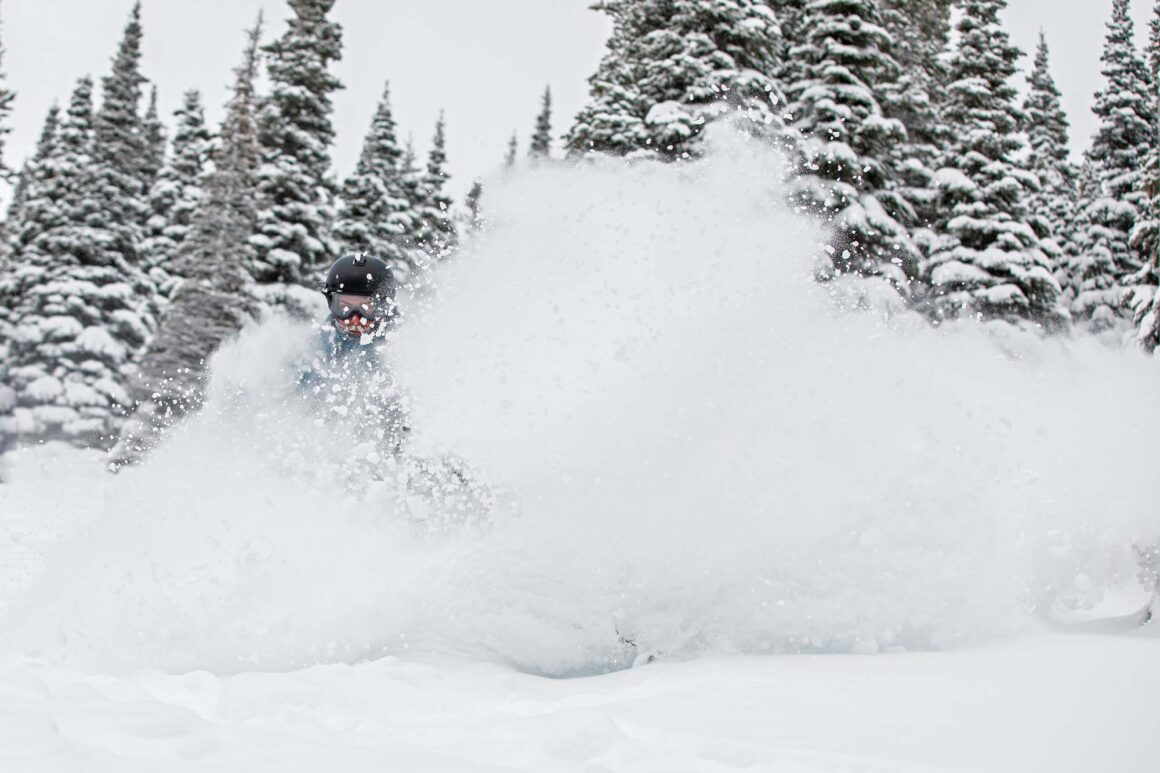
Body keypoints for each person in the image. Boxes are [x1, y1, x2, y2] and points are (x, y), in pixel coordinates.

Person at [299, 253, 407, 461]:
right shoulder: (322, 343)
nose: (354, 318)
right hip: (342, 444)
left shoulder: (403, 340)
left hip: (396, 439)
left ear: (385, 307)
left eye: (366, 308)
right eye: (344, 307)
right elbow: (300, 391)